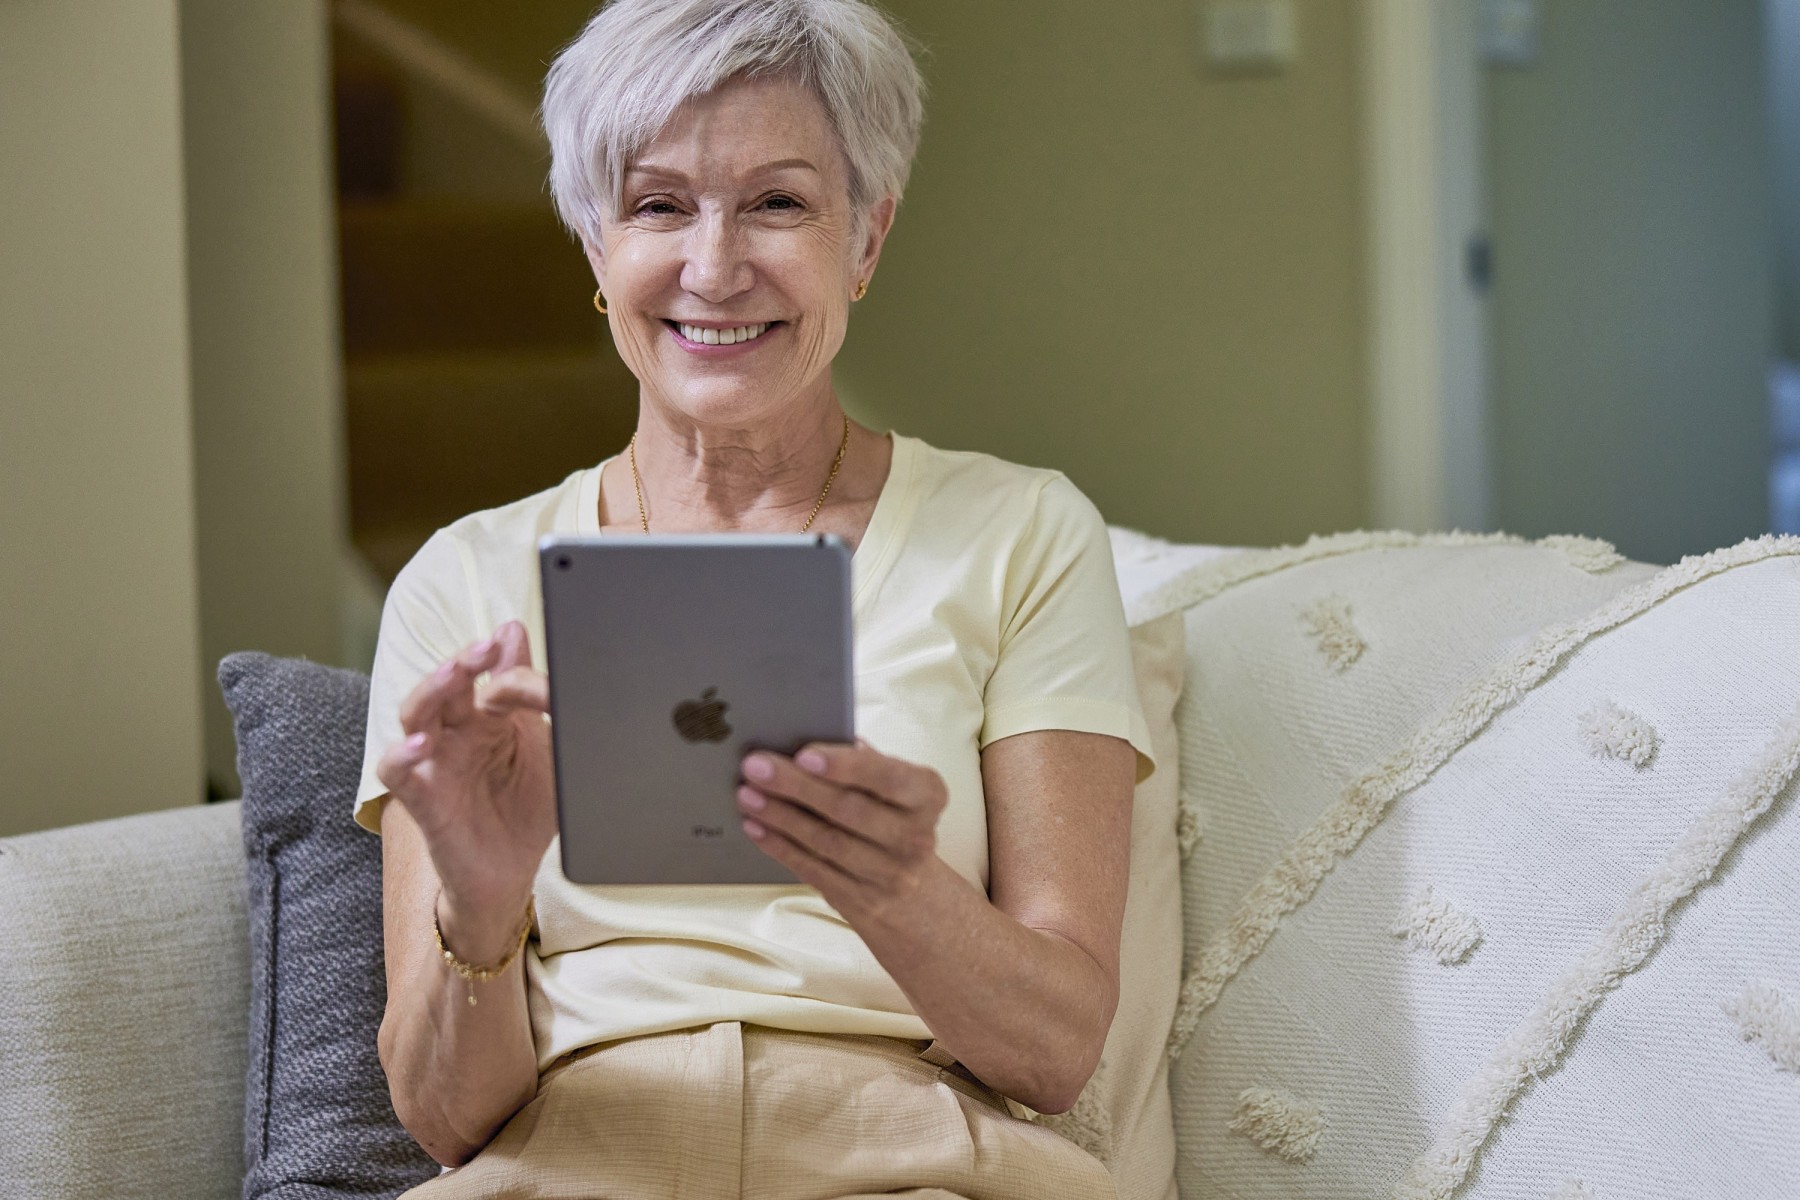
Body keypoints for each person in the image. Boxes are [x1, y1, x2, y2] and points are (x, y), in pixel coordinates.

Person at [359, 1, 1153, 1195]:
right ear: (596, 249)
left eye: (778, 203)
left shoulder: (1021, 534)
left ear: (867, 240)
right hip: (573, 1161)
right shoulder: (465, 577)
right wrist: (480, 906)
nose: (715, 267)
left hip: (908, 1163)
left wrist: (897, 887)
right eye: (658, 204)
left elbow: (1057, 1052)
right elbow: (443, 1123)